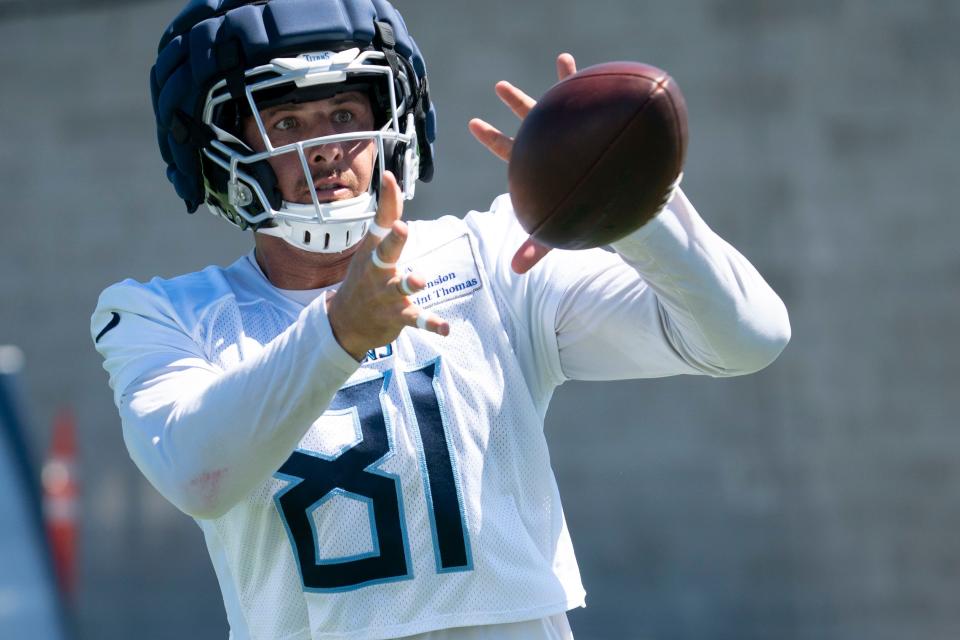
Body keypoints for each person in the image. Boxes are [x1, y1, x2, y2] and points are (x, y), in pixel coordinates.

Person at [91, 0, 791, 638]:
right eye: (286, 122)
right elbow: (196, 476)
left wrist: (634, 209)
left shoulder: (488, 255)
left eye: (343, 114)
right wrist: (338, 333)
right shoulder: (161, 315)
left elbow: (747, 338)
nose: (327, 146)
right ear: (219, 145)